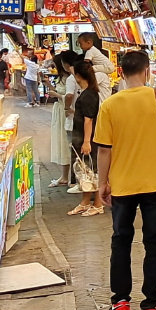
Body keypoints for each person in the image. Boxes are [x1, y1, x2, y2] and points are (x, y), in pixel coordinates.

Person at [94, 50, 156, 310]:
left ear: (121, 72)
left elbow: (104, 150)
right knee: (154, 242)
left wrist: (101, 183)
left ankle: (120, 301)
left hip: (121, 185)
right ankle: (152, 303)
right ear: (146, 71)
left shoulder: (109, 105)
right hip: (155, 182)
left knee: (121, 241)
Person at [70, 61, 104, 216]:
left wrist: (86, 141)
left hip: (88, 139)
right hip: (81, 137)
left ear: (78, 76)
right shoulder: (86, 92)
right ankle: (85, 202)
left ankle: (98, 204)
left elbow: (88, 119)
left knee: (92, 170)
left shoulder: (90, 94)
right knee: (85, 171)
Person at [48, 53, 76, 190]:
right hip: (59, 111)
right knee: (61, 142)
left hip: (64, 112)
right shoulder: (63, 78)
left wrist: (57, 96)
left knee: (65, 143)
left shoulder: (70, 79)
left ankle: (68, 176)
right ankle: (65, 175)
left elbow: (69, 96)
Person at [78, 33, 114, 99]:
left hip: (107, 66)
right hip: (108, 66)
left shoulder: (90, 51)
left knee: (90, 69)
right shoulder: (94, 49)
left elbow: (86, 63)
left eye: (81, 44)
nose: (80, 46)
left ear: (89, 42)